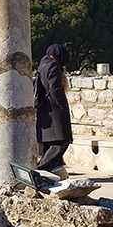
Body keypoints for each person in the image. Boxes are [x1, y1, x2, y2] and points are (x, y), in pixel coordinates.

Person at [35, 43, 72, 177]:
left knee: (50, 143)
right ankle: (41, 170)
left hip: (44, 110)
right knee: (62, 141)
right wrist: (62, 104)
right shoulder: (53, 65)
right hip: (54, 110)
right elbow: (55, 89)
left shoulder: (42, 65)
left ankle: (55, 173)